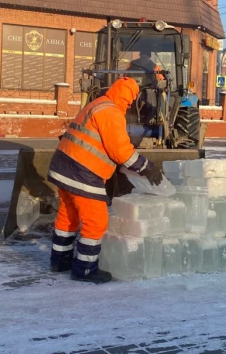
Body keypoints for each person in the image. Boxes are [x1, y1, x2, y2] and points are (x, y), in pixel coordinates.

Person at [47, 77, 163, 284]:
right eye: (131, 98)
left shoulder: (96, 104)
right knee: (96, 222)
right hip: (82, 172)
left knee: (68, 216)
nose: (130, 103)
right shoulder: (111, 112)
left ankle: (59, 261)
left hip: (62, 167)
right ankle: (84, 269)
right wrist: (147, 167)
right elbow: (120, 151)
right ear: (128, 96)